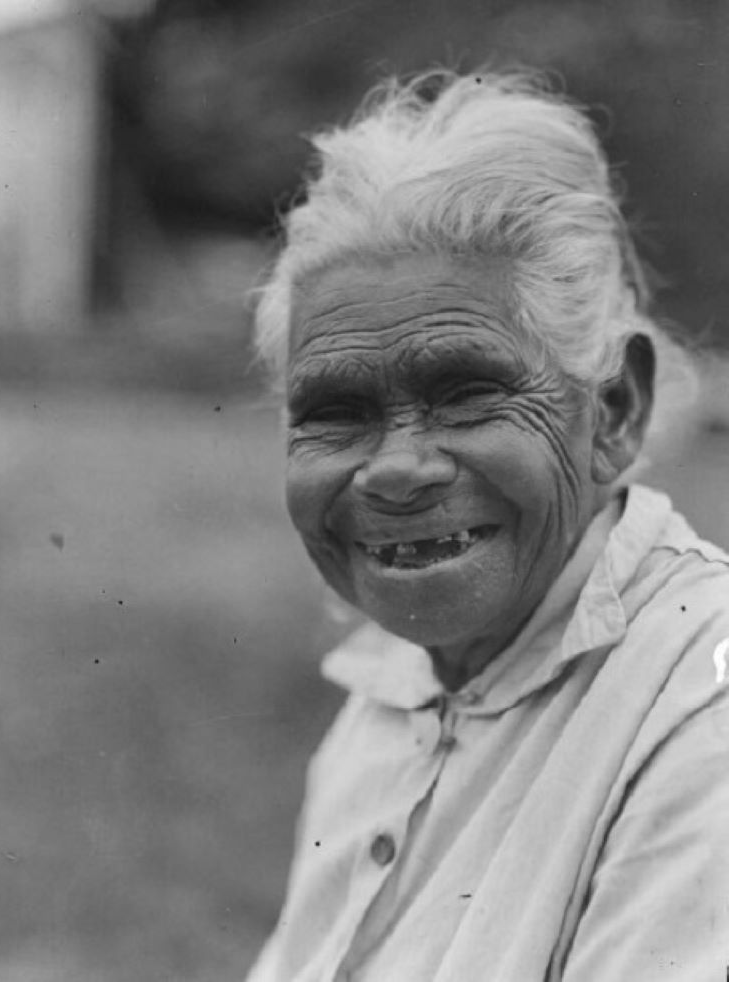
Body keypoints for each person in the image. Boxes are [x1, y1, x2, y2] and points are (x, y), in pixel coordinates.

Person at [245, 70, 729, 982]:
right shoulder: (389, 689)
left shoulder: (702, 704)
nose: (393, 469)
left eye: (467, 394)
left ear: (615, 409)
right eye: (336, 413)